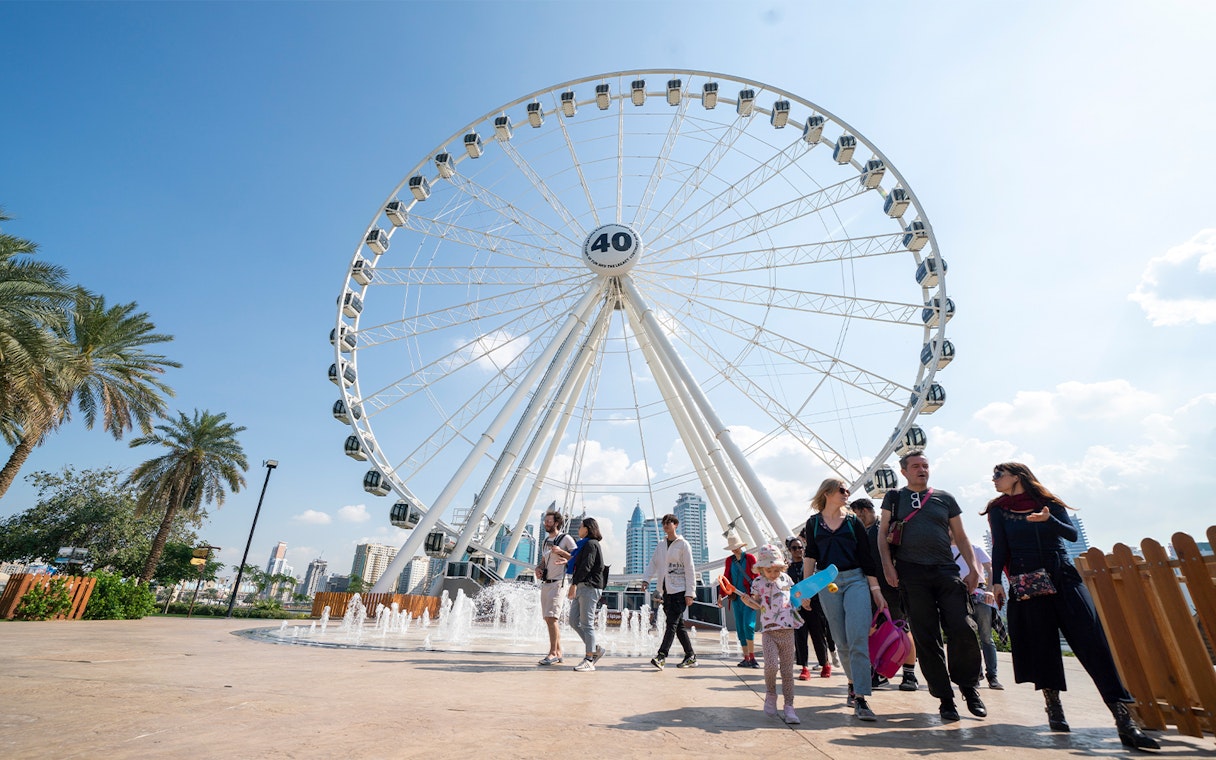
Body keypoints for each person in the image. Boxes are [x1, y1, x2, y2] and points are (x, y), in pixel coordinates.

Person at [988, 462, 1158, 750]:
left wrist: (1047, 521)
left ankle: (1124, 721)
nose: (993, 480)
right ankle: (1053, 706)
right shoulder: (997, 509)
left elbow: (1071, 535)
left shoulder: (1048, 502)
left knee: (1093, 643)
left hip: (1062, 576)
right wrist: (995, 583)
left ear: (1017, 477)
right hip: (1028, 580)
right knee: (1042, 645)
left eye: (998, 475)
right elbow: (1000, 547)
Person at [877, 450, 986, 723]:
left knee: (963, 627)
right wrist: (888, 567)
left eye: (925, 465)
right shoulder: (894, 498)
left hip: (945, 570)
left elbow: (960, 535)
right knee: (927, 637)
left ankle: (969, 687)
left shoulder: (945, 498)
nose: (921, 470)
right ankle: (945, 698)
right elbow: (882, 535)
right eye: (915, 466)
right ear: (904, 471)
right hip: (911, 573)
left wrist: (974, 569)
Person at [804, 478, 885, 721]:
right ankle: (852, 683)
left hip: (856, 579)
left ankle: (861, 697)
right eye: (842, 490)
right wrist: (806, 589)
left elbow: (866, 556)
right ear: (827, 492)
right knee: (841, 640)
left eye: (847, 490)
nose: (847, 493)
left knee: (858, 637)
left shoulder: (853, 522)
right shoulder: (814, 523)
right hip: (827, 584)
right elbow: (811, 556)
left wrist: (876, 590)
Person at [853, 497, 919, 692]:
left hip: (891, 587)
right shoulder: (864, 533)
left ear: (863, 511)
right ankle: (880, 671)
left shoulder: (885, 529)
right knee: (875, 630)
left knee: (901, 628)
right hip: (871, 589)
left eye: (856, 514)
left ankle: (909, 673)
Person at [738, 544, 802, 724]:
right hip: (769, 632)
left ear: (781, 567)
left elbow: (795, 600)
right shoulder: (758, 583)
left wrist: (804, 603)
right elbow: (756, 604)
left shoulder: (786, 579)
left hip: (787, 630)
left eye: (776, 569)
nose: (773, 573)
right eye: (769, 569)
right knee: (771, 666)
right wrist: (747, 601)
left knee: (788, 671)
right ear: (761, 569)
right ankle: (771, 694)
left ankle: (789, 706)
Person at [645, 513, 698, 670]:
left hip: (680, 590)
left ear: (676, 525)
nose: (666, 525)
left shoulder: (683, 545)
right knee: (678, 625)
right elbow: (653, 563)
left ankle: (661, 656)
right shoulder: (661, 545)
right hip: (666, 590)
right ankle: (690, 656)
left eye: (669, 523)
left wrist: (690, 592)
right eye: (664, 523)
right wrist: (646, 580)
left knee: (671, 624)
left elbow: (690, 569)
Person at [951, 539, 1003, 690]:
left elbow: (990, 569)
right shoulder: (944, 550)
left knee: (986, 637)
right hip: (958, 596)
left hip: (979, 595)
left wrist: (989, 589)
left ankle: (992, 676)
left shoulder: (975, 548)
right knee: (968, 638)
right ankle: (975, 675)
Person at [785, 537, 838, 680]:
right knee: (800, 637)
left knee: (818, 634)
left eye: (800, 547)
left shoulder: (810, 566)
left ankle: (825, 664)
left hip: (814, 605)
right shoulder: (787, 569)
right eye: (794, 548)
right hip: (797, 607)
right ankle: (804, 667)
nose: (798, 550)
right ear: (789, 551)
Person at [536, 510, 578, 666]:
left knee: (553, 617)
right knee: (548, 618)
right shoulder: (545, 540)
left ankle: (553, 653)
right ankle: (558, 652)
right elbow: (543, 560)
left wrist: (562, 552)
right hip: (546, 582)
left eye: (549, 521)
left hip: (559, 582)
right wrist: (538, 569)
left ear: (557, 523)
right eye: (545, 521)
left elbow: (577, 557)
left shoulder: (566, 538)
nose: (546, 523)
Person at [567, 517, 607, 672]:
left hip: (589, 587)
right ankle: (596, 648)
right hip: (582, 586)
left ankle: (589, 659)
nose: (578, 530)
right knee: (572, 621)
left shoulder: (591, 544)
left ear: (588, 528)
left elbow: (587, 566)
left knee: (586, 623)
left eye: (581, 527)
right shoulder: (584, 545)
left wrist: (574, 584)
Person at [720, 533, 759, 667]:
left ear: (741, 546)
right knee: (740, 628)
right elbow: (726, 578)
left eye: (737, 547)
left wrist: (754, 594)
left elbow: (756, 576)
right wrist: (721, 595)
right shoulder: (729, 561)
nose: (735, 549)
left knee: (749, 625)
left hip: (748, 597)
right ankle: (746, 657)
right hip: (736, 598)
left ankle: (753, 657)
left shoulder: (750, 558)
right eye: (733, 547)